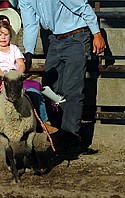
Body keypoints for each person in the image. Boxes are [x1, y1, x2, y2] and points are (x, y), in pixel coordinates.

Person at [18, 0, 106, 153]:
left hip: (76, 35)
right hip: (55, 38)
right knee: (48, 88)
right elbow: (30, 24)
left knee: (72, 88)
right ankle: (59, 134)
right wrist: (28, 52)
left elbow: (81, 6)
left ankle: (71, 140)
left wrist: (96, 33)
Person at [0, 8, 58, 144]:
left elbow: (21, 64)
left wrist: (18, 74)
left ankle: (44, 122)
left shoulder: (14, 49)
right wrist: (4, 76)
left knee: (34, 93)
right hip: (1, 80)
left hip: (16, 79)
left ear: (11, 35)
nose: (3, 38)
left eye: (6, 34)